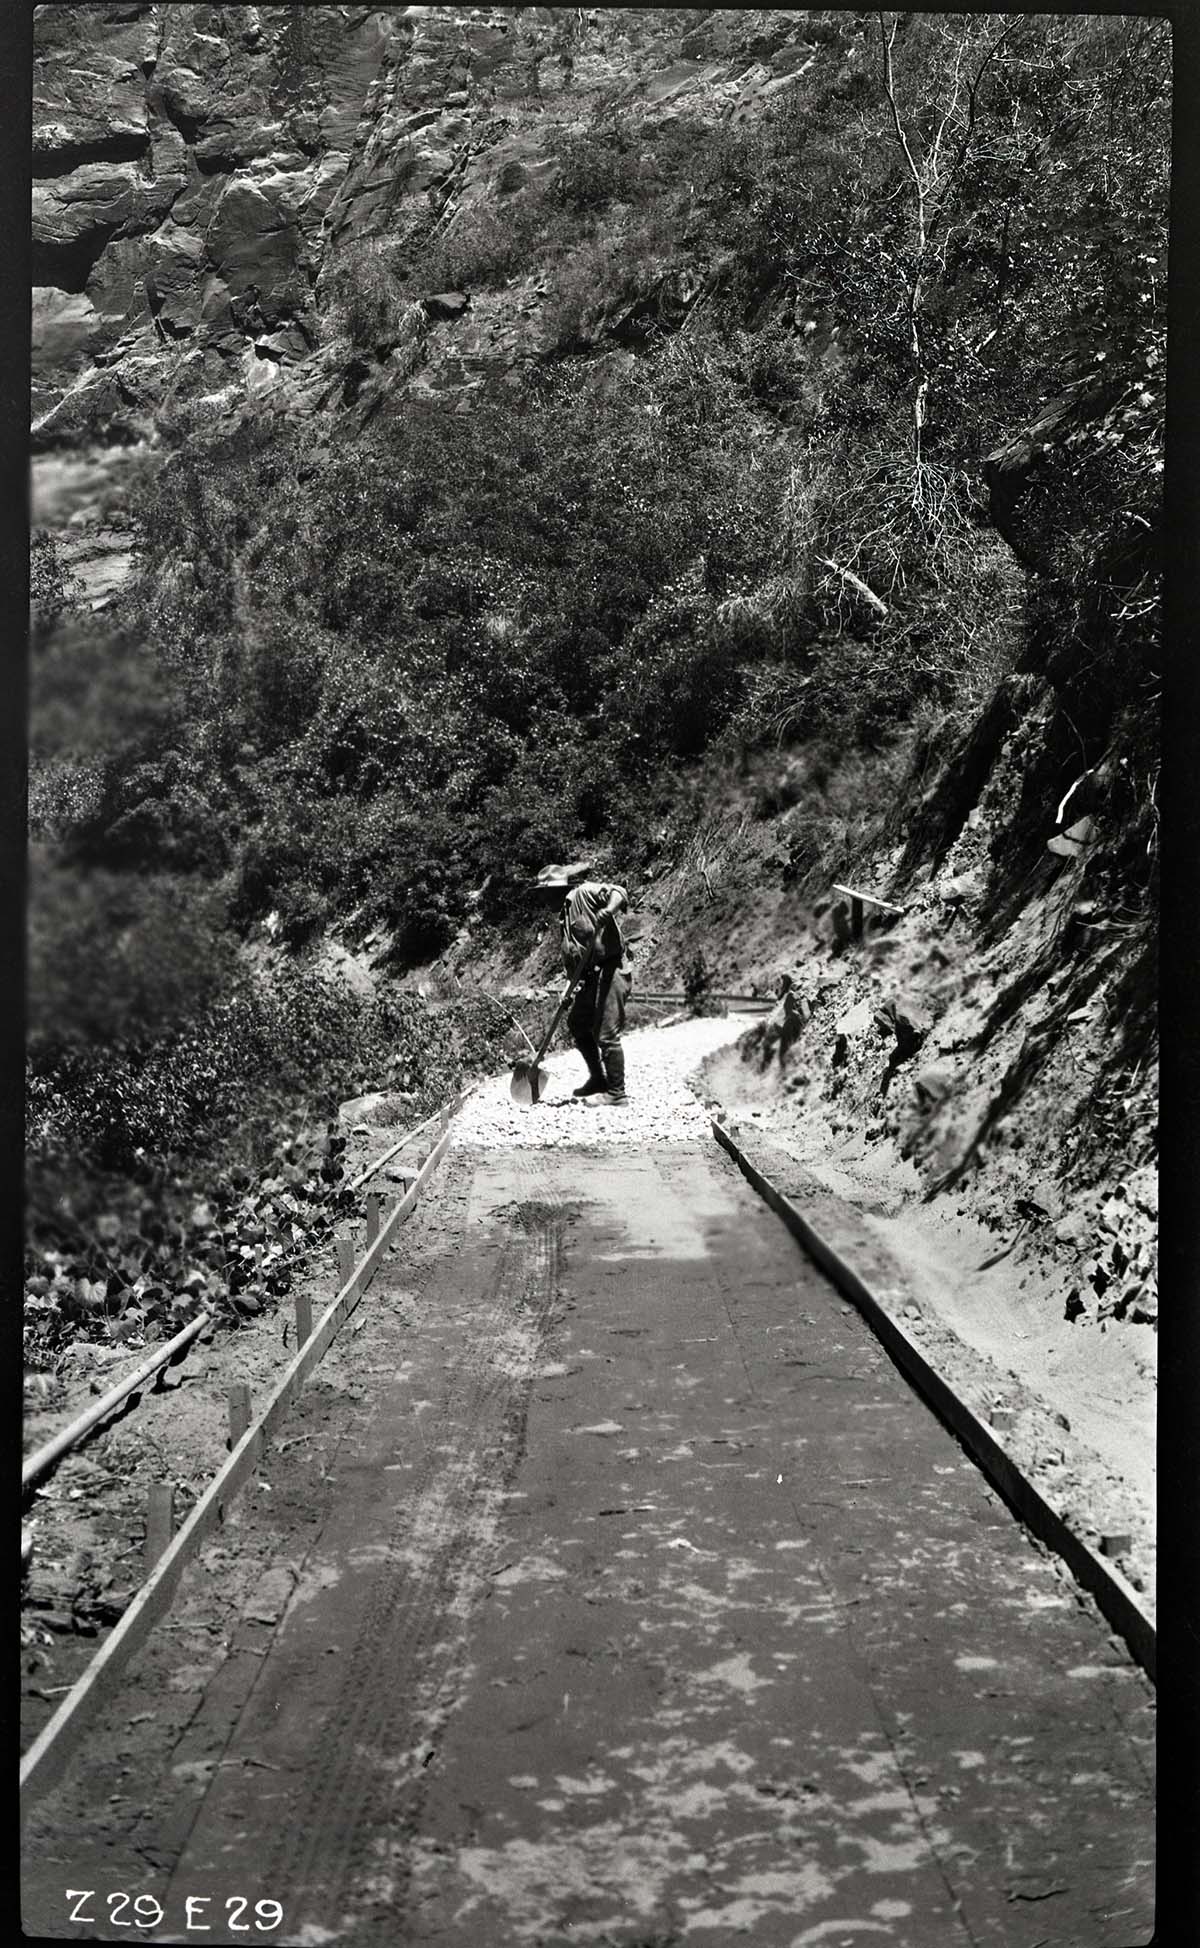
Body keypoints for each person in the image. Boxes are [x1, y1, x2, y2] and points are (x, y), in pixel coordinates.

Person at [533, 865, 631, 1105]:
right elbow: (574, 959)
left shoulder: (584, 893)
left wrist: (609, 910)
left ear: (556, 891)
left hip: (611, 969)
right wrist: (568, 987)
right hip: (590, 977)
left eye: (544, 893)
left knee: (606, 1032)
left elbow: (619, 891)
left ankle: (617, 1093)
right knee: (577, 1023)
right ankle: (598, 1079)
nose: (543, 900)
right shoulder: (564, 917)